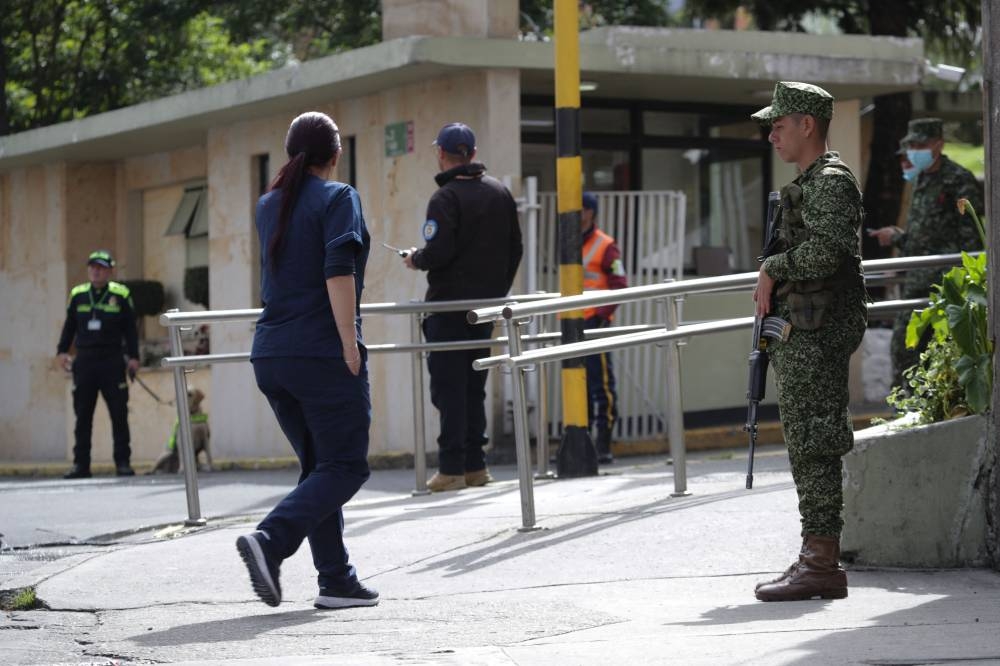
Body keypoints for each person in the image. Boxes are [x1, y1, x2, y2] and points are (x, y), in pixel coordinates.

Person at [236, 111, 378, 610]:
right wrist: (348, 342)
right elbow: (337, 269)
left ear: (291, 153)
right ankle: (270, 541)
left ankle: (336, 579)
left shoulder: (268, 204)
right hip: (319, 353)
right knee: (346, 466)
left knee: (320, 465)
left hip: (271, 355)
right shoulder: (340, 197)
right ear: (335, 154)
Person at [749, 82, 868, 602]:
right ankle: (814, 556)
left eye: (779, 123)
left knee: (815, 446)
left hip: (818, 335)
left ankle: (821, 563)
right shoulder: (810, 181)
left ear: (807, 125)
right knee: (805, 444)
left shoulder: (830, 182)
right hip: (803, 331)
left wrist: (774, 266)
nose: (771, 132)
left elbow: (827, 255)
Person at [403, 122, 523, 492]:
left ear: (441, 154)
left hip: (448, 310)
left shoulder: (445, 199)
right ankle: (476, 466)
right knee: (474, 386)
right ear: (471, 154)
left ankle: (451, 469)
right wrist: (495, 294)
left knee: (448, 389)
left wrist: (416, 259)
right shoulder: (500, 193)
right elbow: (515, 250)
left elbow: (438, 252)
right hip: (484, 310)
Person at [867, 118, 984, 389]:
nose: (914, 150)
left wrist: (901, 239)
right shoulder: (923, 180)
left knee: (941, 353)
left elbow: (970, 237)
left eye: (920, 144)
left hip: (945, 285)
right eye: (912, 145)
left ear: (938, 144)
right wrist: (901, 238)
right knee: (903, 349)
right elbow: (924, 232)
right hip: (918, 283)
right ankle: (907, 409)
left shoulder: (957, 179)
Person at [56, 250, 140, 479]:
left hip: (112, 360)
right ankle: (81, 465)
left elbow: (131, 329)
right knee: (82, 415)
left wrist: (134, 356)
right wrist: (62, 351)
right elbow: (69, 326)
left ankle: (123, 462)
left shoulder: (120, 294)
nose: (96, 271)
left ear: (110, 271)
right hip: (85, 361)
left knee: (118, 414)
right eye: (92, 266)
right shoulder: (78, 294)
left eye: (101, 267)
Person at [580, 192, 628, 464]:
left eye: (583, 209)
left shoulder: (605, 244)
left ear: (592, 212)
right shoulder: (570, 242)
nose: (579, 213)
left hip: (595, 323)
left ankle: (603, 444)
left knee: (602, 385)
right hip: (572, 323)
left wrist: (601, 315)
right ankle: (582, 441)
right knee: (578, 384)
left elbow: (619, 285)